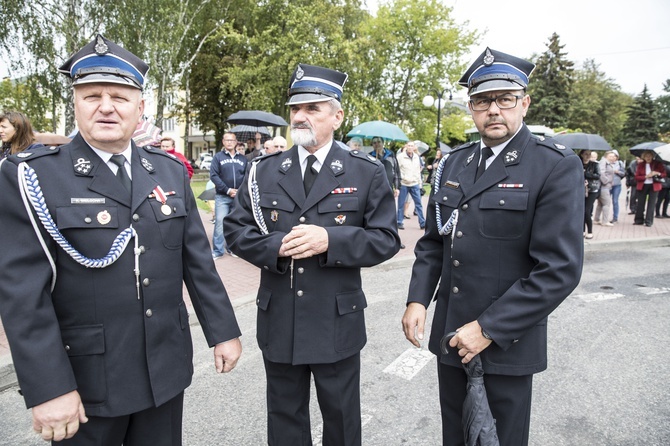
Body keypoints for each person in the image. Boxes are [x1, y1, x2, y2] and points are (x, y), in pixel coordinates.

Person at [0, 34, 242, 445]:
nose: (107, 106)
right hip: (86, 383)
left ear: (140, 108)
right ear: (75, 102)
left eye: (120, 96)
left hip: (163, 372)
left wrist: (223, 330)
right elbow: (22, 294)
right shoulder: (32, 177)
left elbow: (196, 262)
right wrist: (49, 386)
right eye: (92, 95)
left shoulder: (168, 171)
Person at [401, 47, 584, 446]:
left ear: (524, 103)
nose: (494, 110)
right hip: (451, 335)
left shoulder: (553, 165)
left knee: (500, 439)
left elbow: (559, 269)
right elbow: (435, 242)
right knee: (456, 436)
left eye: (505, 99)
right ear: (471, 108)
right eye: (483, 101)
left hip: (506, 342)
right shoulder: (453, 163)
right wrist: (418, 300)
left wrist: (488, 329)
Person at [224, 63, 400, 446]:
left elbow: (386, 238)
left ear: (337, 116)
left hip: (335, 319)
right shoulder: (264, 170)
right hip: (280, 318)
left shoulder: (364, 171)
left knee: (341, 419)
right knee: (284, 420)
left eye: (313, 108)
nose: (300, 116)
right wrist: (276, 247)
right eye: (295, 109)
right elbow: (235, 231)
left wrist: (331, 241)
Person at [210, 131, 248, 259]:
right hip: (223, 196)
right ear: (223, 142)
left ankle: (231, 248)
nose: (229, 142)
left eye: (232, 140)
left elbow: (247, 176)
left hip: (238, 197)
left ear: (236, 142)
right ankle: (217, 251)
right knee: (220, 222)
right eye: (227, 140)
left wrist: (240, 190)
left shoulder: (243, 159)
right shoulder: (218, 157)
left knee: (234, 224)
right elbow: (214, 176)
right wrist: (227, 190)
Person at [396, 140, 426, 229]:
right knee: (401, 204)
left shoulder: (417, 157)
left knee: (419, 204)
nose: (410, 147)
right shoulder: (400, 157)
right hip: (404, 183)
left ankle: (422, 222)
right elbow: (397, 170)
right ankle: (399, 222)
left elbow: (418, 170)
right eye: (409, 145)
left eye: (412, 146)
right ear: (406, 146)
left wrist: (419, 183)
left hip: (414, 183)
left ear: (414, 147)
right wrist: (400, 180)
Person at [634, 150, 667, 227]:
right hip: (643, 185)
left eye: (649, 156)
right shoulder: (641, 165)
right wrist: (645, 176)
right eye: (646, 156)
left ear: (652, 156)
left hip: (654, 185)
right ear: (643, 157)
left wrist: (657, 173)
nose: (648, 158)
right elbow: (636, 177)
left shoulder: (658, 164)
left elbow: (664, 174)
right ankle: (639, 220)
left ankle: (649, 221)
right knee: (640, 203)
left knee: (651, 204)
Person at [580, 149, 601, 239]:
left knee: (586, 211)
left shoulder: (595, 164)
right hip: (580, 189)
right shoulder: (578, 163)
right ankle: (582, 230)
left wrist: (587, 174)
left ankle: (590, 231)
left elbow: (598, 176)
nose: (587, 156)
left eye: (589, 154)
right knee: (581, 211)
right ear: (581, 154)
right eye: (586, 154)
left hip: (591, 190)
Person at [593, 150, 615, 227]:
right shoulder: (604, 162)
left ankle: (596, 219)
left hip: (603, 186)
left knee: (600, 204)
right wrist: (606, 181)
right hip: (604, 186)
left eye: (613, 156)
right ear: (606, 156)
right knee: (607, 203)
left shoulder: (607, 162)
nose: (612, 158)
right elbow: (601, 172)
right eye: (610, 156)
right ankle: (605, 221)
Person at [607, 150, 626, 222]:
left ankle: (615, 217)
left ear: (617, 157)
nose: (613, 158)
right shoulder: (606, 163)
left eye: (615, 156)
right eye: (611, 156)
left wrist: (617, 172)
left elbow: (623, 173)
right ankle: (605, 217)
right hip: (608, 184)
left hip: (617, 185)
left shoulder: (620, 163)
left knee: (615, 201)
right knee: (606, 201)